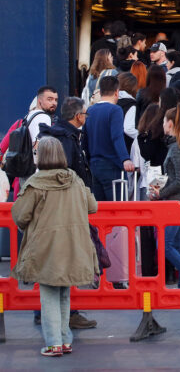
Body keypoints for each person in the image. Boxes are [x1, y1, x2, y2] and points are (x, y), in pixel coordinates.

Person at [11, 136, 99, 357]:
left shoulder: (36, 183)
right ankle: (65, 339)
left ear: (41, 156)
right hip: (74, 246)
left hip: (46, 247)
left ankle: (53, 344)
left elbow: (20, 215)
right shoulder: (76, 180)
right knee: (63, 293)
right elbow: (93, 206)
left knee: (49, 295)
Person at [36, 99, 97, 329]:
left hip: (57, 211)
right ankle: (66, 315)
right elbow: (67, 174)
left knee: (54, 262)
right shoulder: (67, 138)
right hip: (67, 210)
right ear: (78, 116)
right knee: (65, 261)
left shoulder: (61, 135)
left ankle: (46, 312)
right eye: (85, 114)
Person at [148, 103, 180, 289]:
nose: (162, 124)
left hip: (176, 204)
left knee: (165, 245)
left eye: (163, 121)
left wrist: (160, 193)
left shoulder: (176, 149)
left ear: (170, 124)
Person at [82, 76, 135, 201]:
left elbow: (84, 139)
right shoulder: (115, 110)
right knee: (117, 210)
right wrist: (125, 159)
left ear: (100, 91)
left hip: (94, 166)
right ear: (117, 92)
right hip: (112, 166)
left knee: (99, 210)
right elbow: (117, 136)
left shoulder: (91, 110)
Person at [116, 72, 139, 152]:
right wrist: (141, 136)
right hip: (125, 147)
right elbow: (129, 129)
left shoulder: (112, 101)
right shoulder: (131, 105)